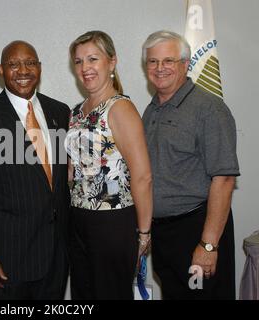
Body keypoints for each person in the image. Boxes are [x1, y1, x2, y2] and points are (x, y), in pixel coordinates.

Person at [0, 40, 70, 300]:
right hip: (7, 260)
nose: (23, 70)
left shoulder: (61, 112)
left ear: (40, 68)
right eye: (13, 64)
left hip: (56, 256)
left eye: (30, 63)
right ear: (0, 70)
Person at [141, 30, 240, 299]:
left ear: (185, 64)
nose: (160, 68)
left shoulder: (209, 108)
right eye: (152, 62)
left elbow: (225, 179)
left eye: (168, 61)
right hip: (164, 236)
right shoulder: (150, 111)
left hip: (196, 230)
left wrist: (207, 246)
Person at [66, 30, 153, 300]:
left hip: (112, 221)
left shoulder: (120, 108)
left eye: (93, 59)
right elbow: (72, 172)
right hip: (79, 219)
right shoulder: (77, 111)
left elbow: (143, 177)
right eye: (79, 61)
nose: (85, 68)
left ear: (111, 63)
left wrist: (143, 233)